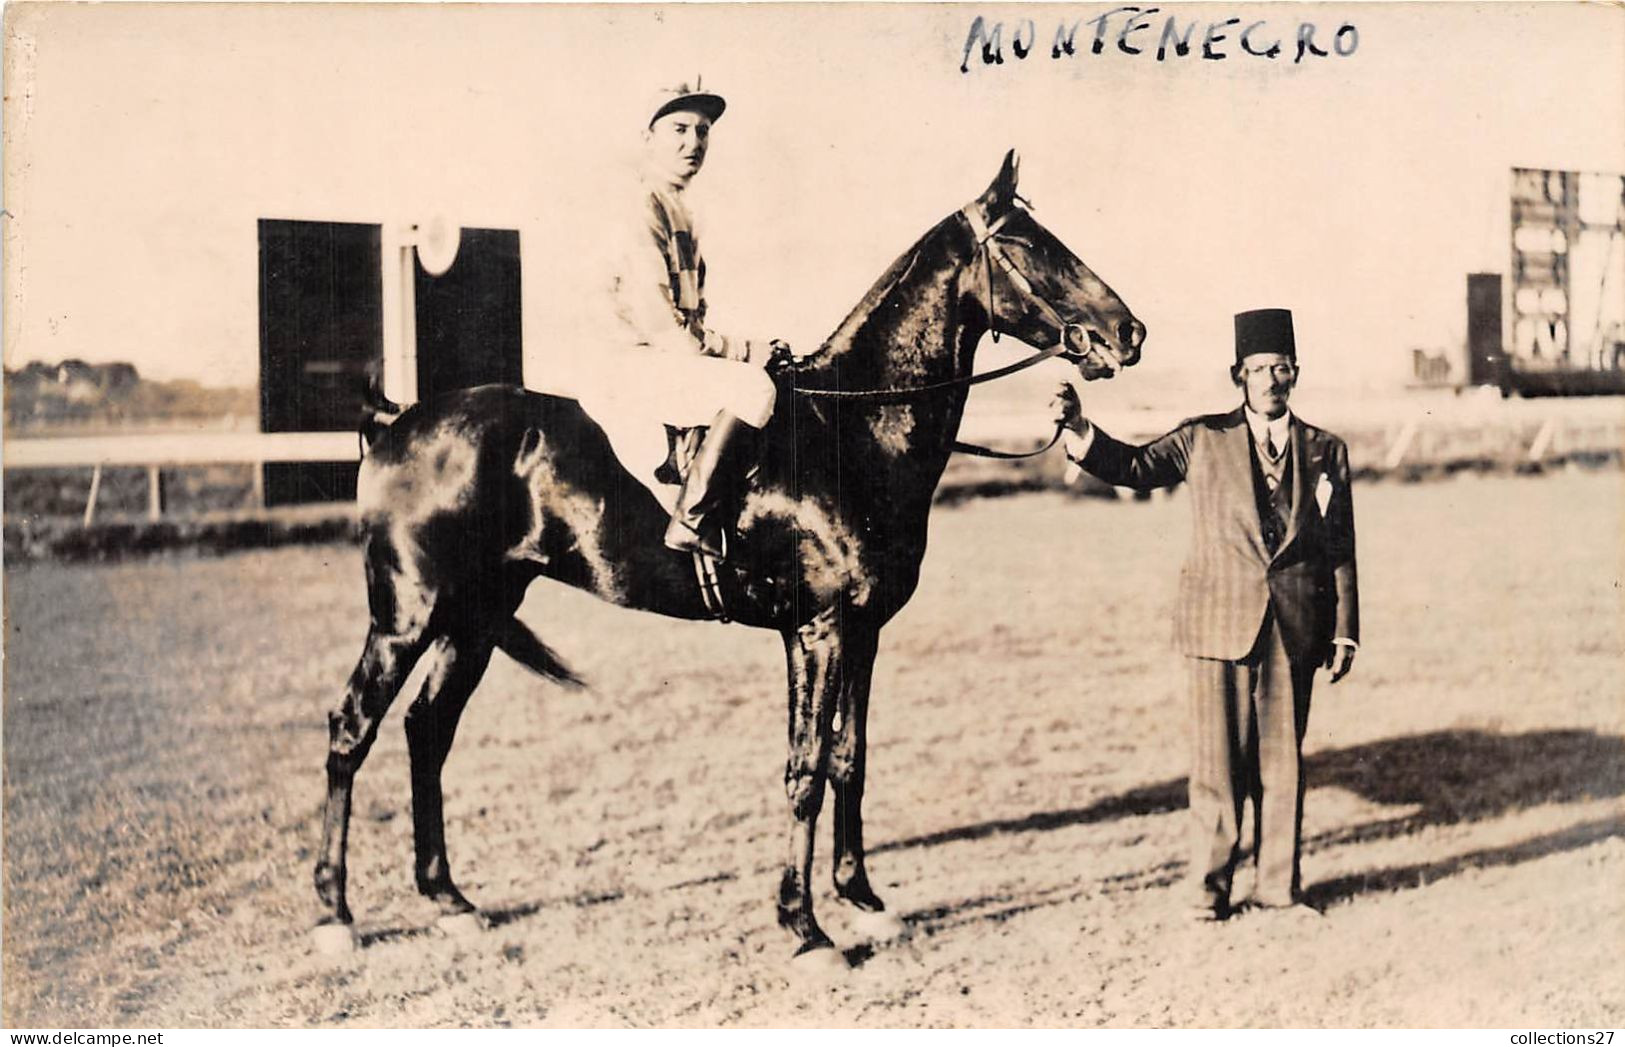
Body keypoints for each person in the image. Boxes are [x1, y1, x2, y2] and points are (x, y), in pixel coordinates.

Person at [1053, 308, 1360, 922]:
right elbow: (1136, 468)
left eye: (1281, 368)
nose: (1271, 379)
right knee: (1217, 766)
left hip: (1294, 626)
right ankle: (1208, 891)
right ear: (1237, 376)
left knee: (1284, 766)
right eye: (1258, 370)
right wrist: (1082, 430)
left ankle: (1279, 889)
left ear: (1295, 374)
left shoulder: (1326, 450)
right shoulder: (1202, 438)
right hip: (1217, 622)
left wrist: (1346, 628)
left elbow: (1339, 545)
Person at [601, 78, 781, 560]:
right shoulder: (642, 207)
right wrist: (740, 353)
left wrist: (745, 347)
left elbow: (689, 322)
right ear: (649, 139)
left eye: (703, 132)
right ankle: (691, 521)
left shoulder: (678, 208)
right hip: (628, 361)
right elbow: (661, 324)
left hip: (654, 355)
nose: (693, 142)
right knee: (755, 388)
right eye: (679, 128)